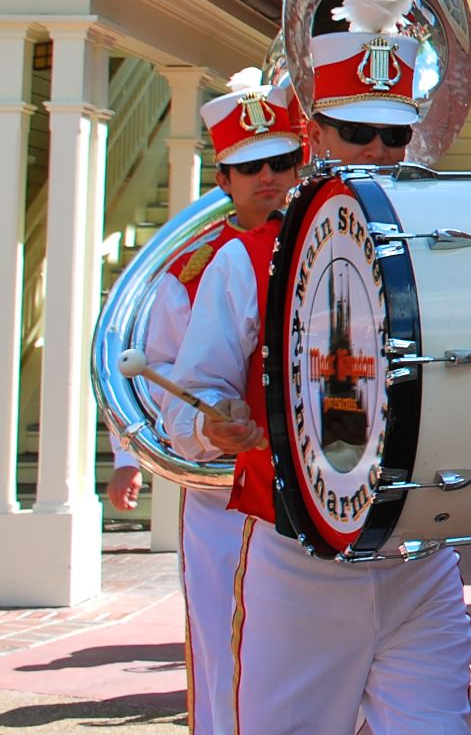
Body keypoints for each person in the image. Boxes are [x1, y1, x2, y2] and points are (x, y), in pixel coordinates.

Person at [163, 0, 471, 734]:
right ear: (316, 131)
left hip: (420, 555)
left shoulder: (449, 246)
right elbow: (187, 403)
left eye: (393, 135)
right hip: (297, 555)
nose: (376, 151)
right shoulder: (246, 258)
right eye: (353, 130)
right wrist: (214, 422)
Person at [141, 72, 303, 733]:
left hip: (312, 490)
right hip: (222, 495)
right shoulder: (190, 270)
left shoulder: (336, 240)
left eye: (281, 162)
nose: (269, 177)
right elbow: (162, 382)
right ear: (223, 179)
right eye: (251, 167)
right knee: (227, 653)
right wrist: (209, 425)